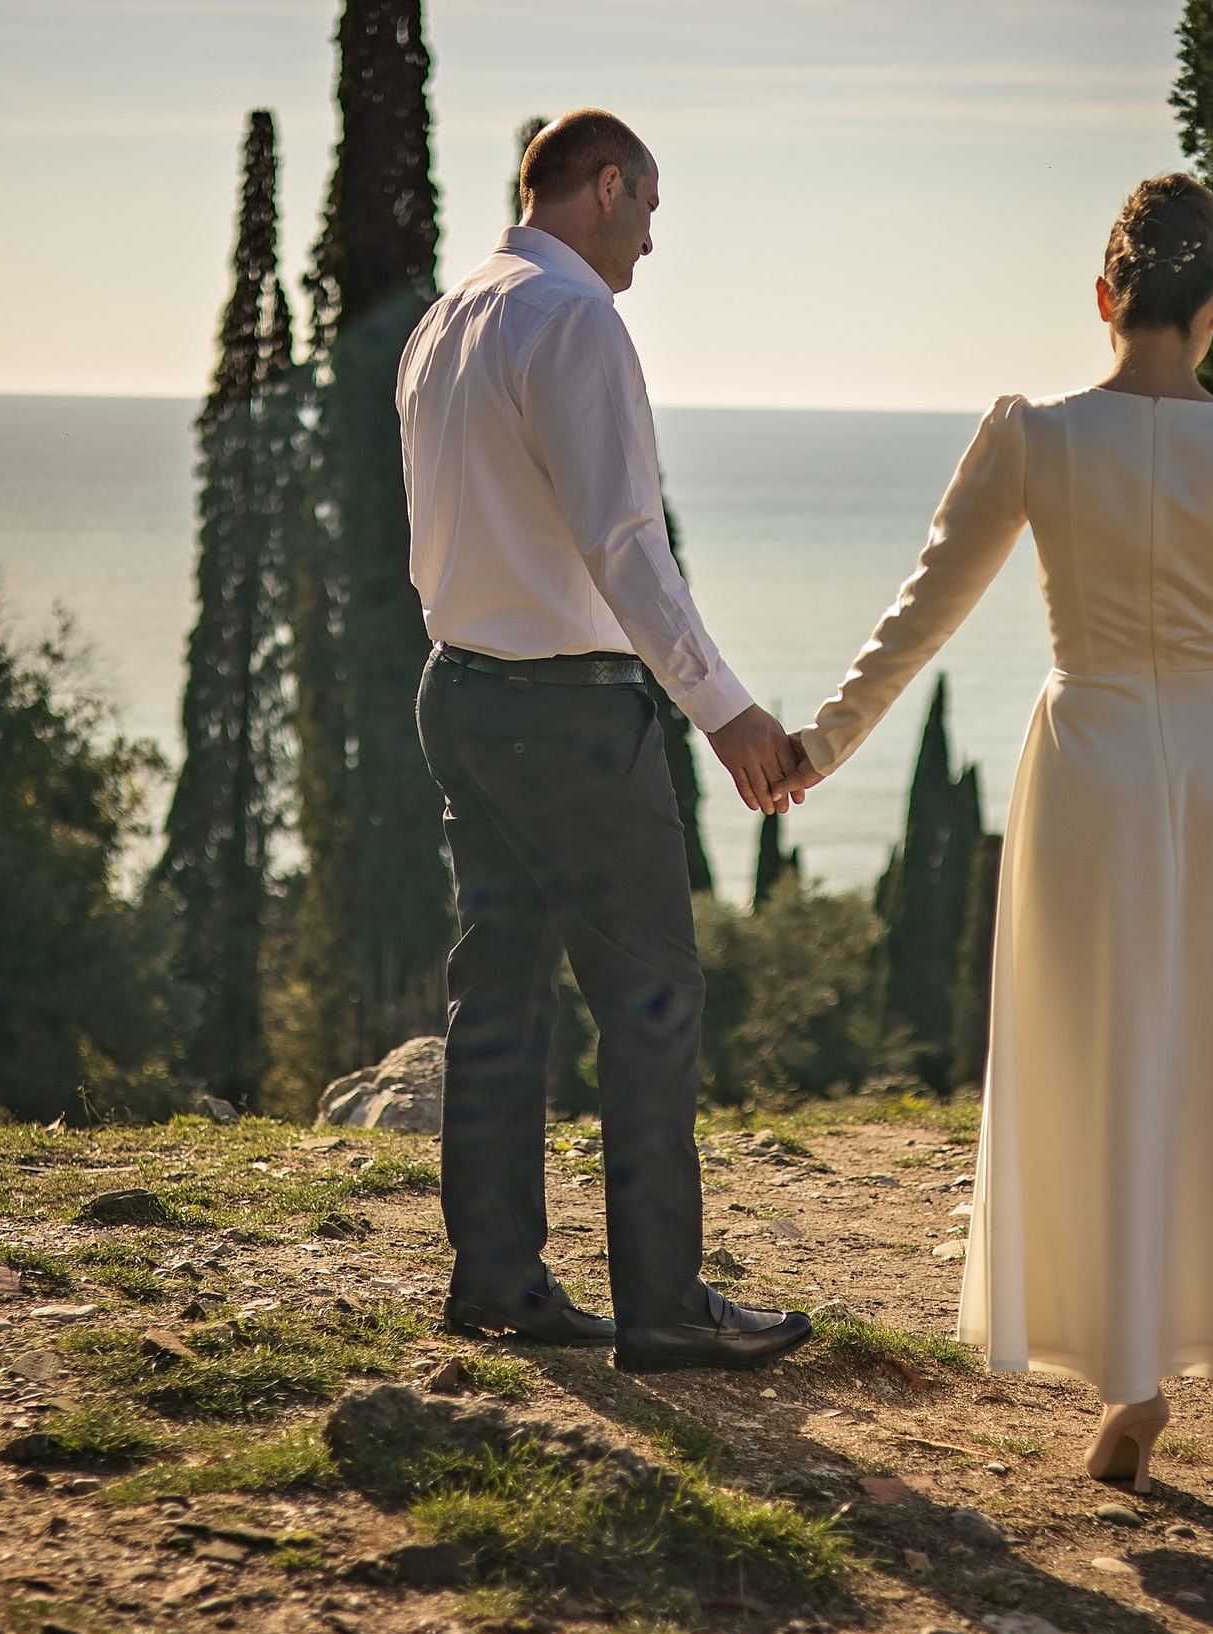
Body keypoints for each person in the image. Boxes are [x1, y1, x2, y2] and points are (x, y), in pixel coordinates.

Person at [776, 174, 1213, 1483]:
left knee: (1107, 1062)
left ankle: (1131, 1389)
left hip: (1090, 771)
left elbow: (924, 608)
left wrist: (821, 745)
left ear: (1104, 297)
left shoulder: (1035, 436)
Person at [396, 109, 812, 1376]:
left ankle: (497, 1280)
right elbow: (626, 544)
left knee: (499, 993)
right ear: (608, 184)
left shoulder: (445, 320)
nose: (650, 239)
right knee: (651, 998)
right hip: (569, 714)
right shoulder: (575, 320)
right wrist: (726, 710)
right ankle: (665, 1307)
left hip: (462, 694)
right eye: (649, 208)